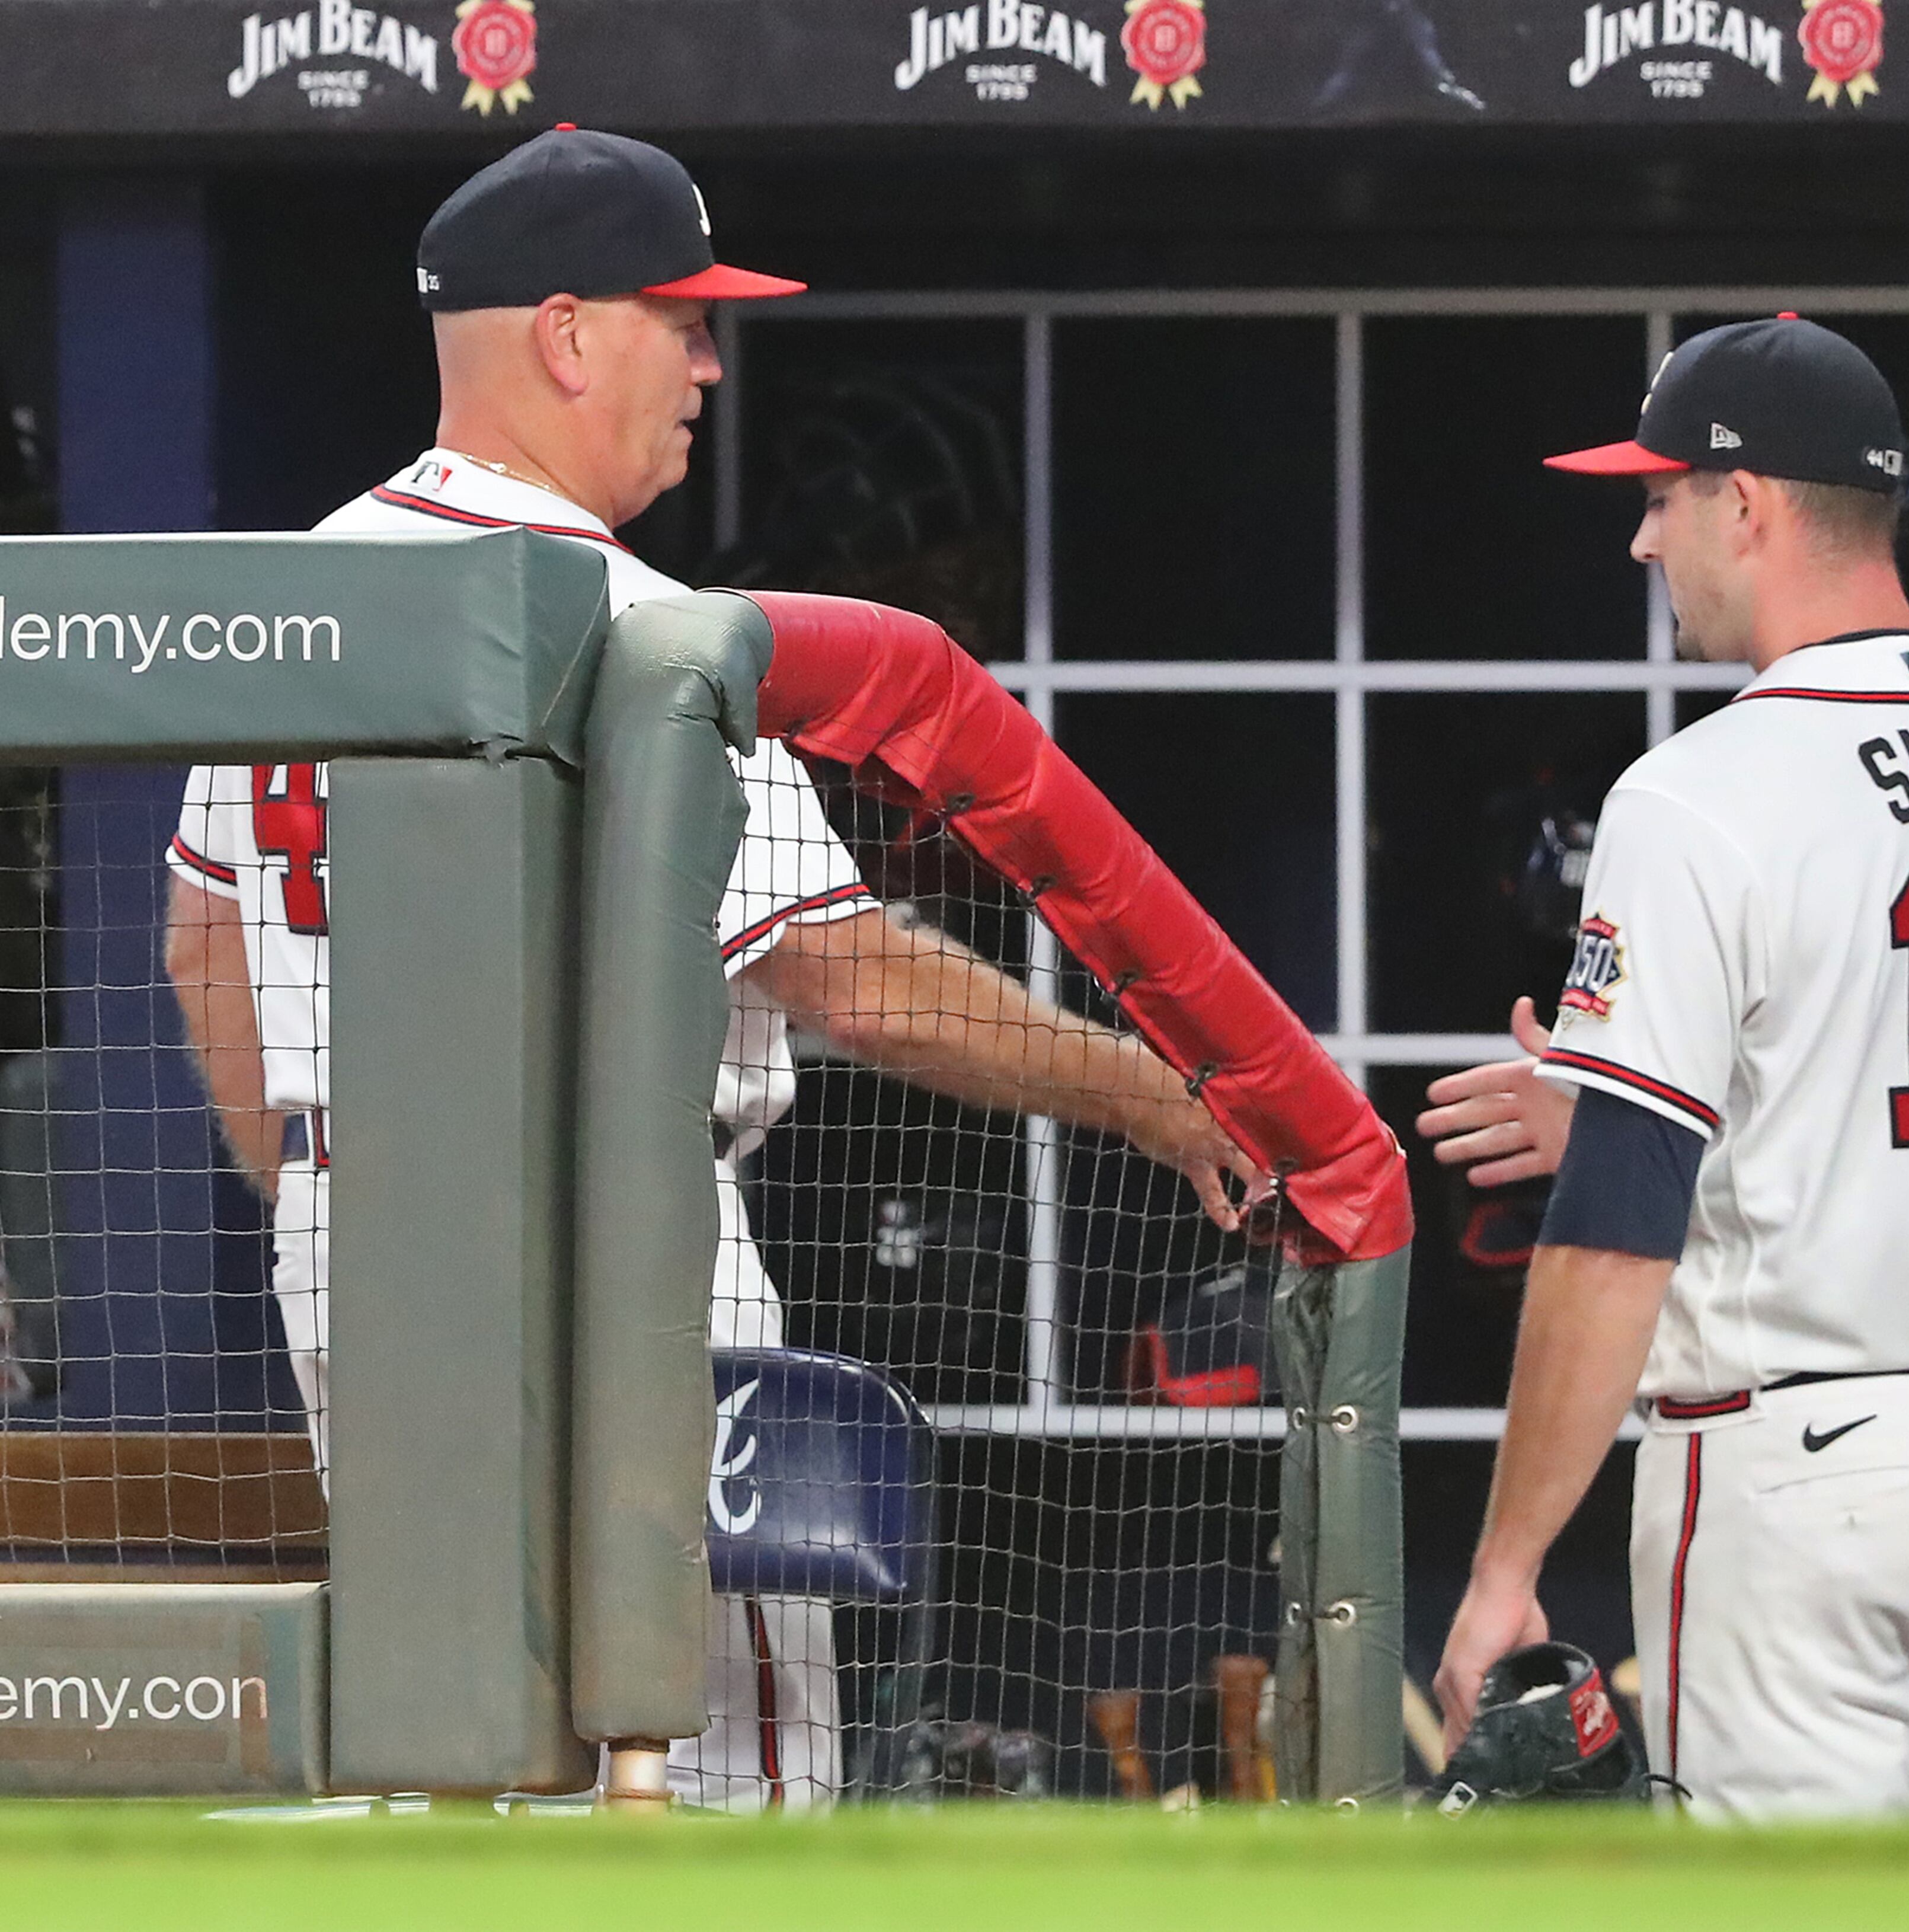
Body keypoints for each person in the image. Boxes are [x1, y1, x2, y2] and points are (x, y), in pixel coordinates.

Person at [162, 126, 1255, 1812]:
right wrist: (1156, 1093)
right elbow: (847, 973)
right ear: (567, 333)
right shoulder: (624, 617)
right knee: (715, 1759)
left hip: (355, 1244)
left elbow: (200, 945)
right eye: (678, 317)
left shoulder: (299, 591)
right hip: (612, 1249)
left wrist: (328, 1194)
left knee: (452, 1738)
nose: (709, 361)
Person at [1418, 317, 1909, 1818]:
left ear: (1752, 503)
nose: (1642, 538)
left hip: (1807, 1476)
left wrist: (1504, 1568)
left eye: (1663, 495)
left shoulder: (1698, 790)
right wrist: (1619, 1104)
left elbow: (1613, 1239)